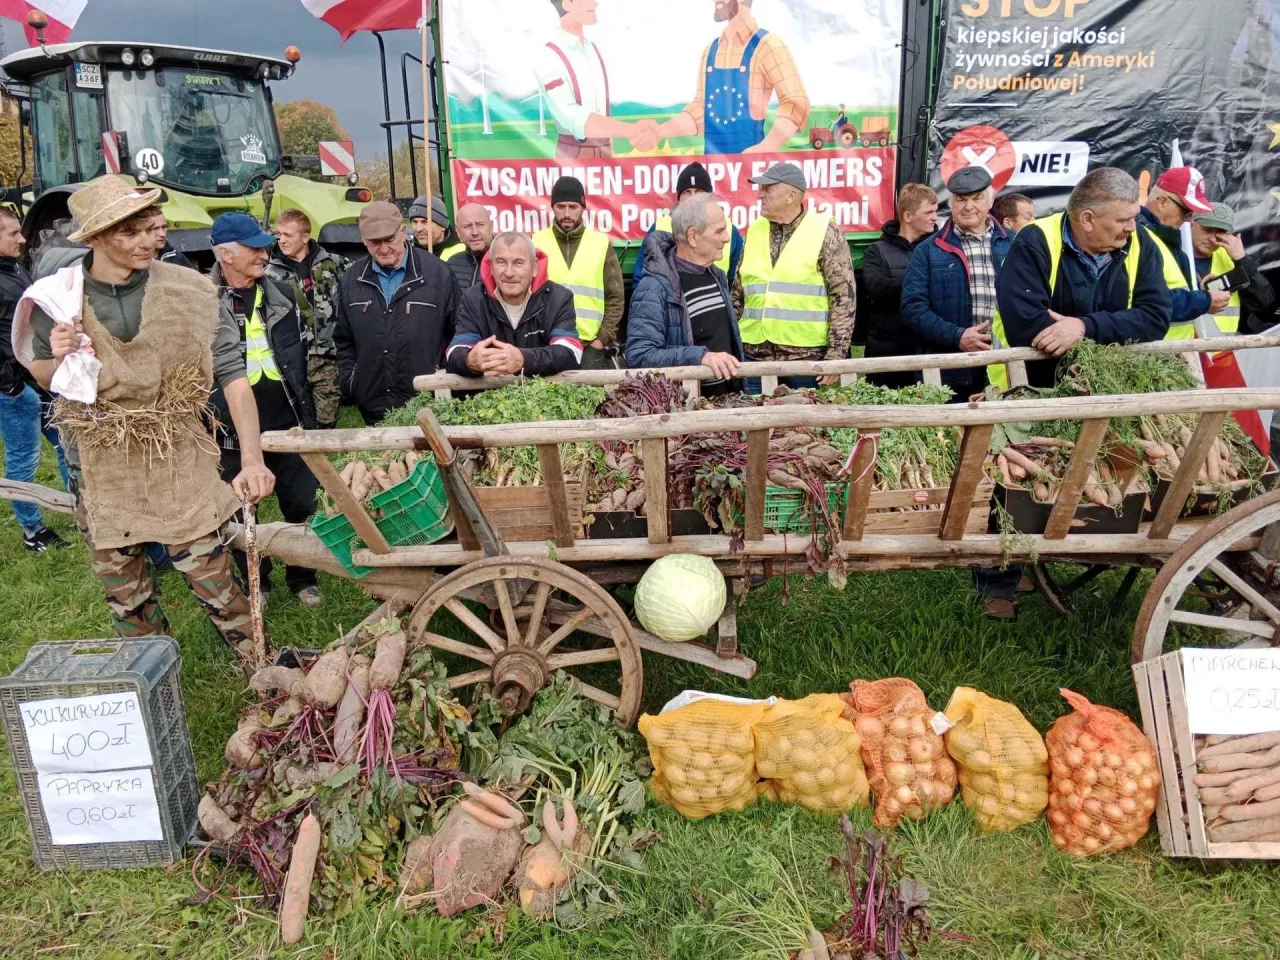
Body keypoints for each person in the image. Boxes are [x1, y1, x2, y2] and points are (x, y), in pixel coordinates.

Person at [13, 175, 274, 658]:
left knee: (216, 581)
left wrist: (253, 459)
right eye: (129, 233)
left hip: (176, 453)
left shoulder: (190, 293)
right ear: (94, 238)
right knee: (129, 601)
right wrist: (54, 358)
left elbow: (234, 377)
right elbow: (48, 378)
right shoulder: (58, 299)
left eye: (153, 229)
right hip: (101, 465)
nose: (149, 242)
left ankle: (261, 671)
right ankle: (154, 683)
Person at [211, 213, 322, 607]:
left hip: (287, 422)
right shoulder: (201, 303)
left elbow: (305, 355)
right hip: (229, 432)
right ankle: (256, 580)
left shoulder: (283, 294)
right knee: (240, 512)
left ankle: (303, 575)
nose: (264, 252)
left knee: (302, 504)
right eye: (254, 247)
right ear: (225, 254)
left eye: (265, 244)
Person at [993, 166, 1172, 390]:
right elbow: (1026, 328)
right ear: (1087, 219)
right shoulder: (1034, 241)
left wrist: (1084, 327)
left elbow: (1156, 318)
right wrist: (1116, 329)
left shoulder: (1141, 242)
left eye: (1135, 217)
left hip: (1115, 390)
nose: (1132, 227)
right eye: (1123, 220)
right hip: (1037, 393)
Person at [732, 162, 855, 390]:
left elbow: (843, 298)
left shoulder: (825, 232)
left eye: (767, 189)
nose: (760, 195)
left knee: (801, 426)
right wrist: (731, 348)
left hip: (805, 361)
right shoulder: (755, 230)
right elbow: (737, 295)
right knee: (753, 423)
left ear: (790, 195)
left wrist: (836, 355)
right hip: (754, 358)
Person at [335, 201, 458, 423]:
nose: (383, 249)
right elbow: (344, 339)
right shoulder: (352, 279)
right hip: (373, 403)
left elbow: (457, 332)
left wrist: (441, 373)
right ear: (363, 240)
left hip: (427, 401)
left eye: (389, 240)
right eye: (374, 242)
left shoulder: (438, 274)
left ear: (403, 232)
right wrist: (352, 381)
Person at [900, 166, 1011, 399]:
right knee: (948, 434)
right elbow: (913, 308)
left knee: (1009, 433)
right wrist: (957, 336)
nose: (968, 206)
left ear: (990, 201)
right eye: (961, 200)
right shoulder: (928, 251)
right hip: (951, 370)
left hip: (1006, 364)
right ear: (951, 204)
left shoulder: (1014, 244)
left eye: (976, 198)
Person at [658, 0, 810, 155]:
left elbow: (796, 102)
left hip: (751, 168)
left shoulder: (768, 46)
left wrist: (767, 146)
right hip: (712, 168)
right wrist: (659, 131)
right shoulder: (710, 51)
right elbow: (701, 110)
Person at [626, 194, 743, 395]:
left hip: (728, 404)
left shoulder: (717, 276)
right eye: (719, 231)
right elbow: (640, 356)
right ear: (693, 236)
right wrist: (699, 357)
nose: (726, 238)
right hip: (687, 413)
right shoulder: (654, 288)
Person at [0, 206, 68, 552]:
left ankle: (81, 508)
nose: (23, 238)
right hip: (13, 390)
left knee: (65, 443)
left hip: (36, 382)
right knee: (24, 458)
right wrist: (10, 384)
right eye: (12, 232)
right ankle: (32, 532)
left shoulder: (12, 268)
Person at [445, 232, 583, 377]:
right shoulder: (472, 299)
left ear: (535, 267)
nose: (509, 272)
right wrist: (469, 359)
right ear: (491, 266)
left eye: (518, 263)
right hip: (488, 395)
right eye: (501, 262)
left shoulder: (559, 298)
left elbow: (570, 352)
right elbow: (455, 351)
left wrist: (524, 359)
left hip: (543, 395)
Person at [535, 0, 659, 159]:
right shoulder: (548, 56)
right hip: (575, 156)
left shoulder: (593, 49)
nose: (595, 3)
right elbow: (571, 116)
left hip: (606, 153)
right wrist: (632, 130)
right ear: (567, 4)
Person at [266, 208, 348, 429]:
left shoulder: (334, 264)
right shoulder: (269, 274)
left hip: (328, 348)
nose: (281, 240)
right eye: (278, 235)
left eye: (288, 235)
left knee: (327, 406)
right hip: (293, 350)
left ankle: (325, 439)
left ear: (305, 237)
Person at [532, 176, 623, 369]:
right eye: (560, 206)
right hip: (550, 345)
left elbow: (615, 297)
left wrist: (601, 340)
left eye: (573, 207)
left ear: (583, 207)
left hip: (589, 348)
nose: (566, 213)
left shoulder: (600, 243)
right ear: (552, 207)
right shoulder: (536, 242)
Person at [1139, 167, 1232, 337]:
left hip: (1171, 354)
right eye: (1186, 212)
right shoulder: (1139, 237)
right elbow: (1148, 301)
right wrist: (1204, 300)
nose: (1188, 220)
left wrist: (1199, 291)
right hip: (1152, 355)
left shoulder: (1164, 237)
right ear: (1162, 202)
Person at [862, 183, 938, 388]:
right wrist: (923, 283)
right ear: (907, 216)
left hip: (928, 346)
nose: (935, 217)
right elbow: (878, 289)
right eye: (928, 212)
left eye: (936, 211)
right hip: (887, 350)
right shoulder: (877, 251)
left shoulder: (940, 249)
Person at [632, 162, 745, 287]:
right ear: (679, 198)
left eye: (698, 191)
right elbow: (641, 279)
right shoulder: (658, 227)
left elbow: (736, 284)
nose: (692, 197)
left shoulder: (729, 231)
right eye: (687, 192)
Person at [1191, 203, 1276, 334]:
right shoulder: (1171, 253)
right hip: (1180, 347)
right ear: (1191, 223)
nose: (1213, 239)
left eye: (1221, 233)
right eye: (1207, 230)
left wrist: (1242, 260)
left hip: (1223, 348)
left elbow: (1263, 303)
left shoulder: (1231, 257)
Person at [446, 203, 496, 292]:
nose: (475, 232)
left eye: (480, 224)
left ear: (491, 226)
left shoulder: (506, 262)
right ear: (458, 231)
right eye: (467, 226)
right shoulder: (451, 264)